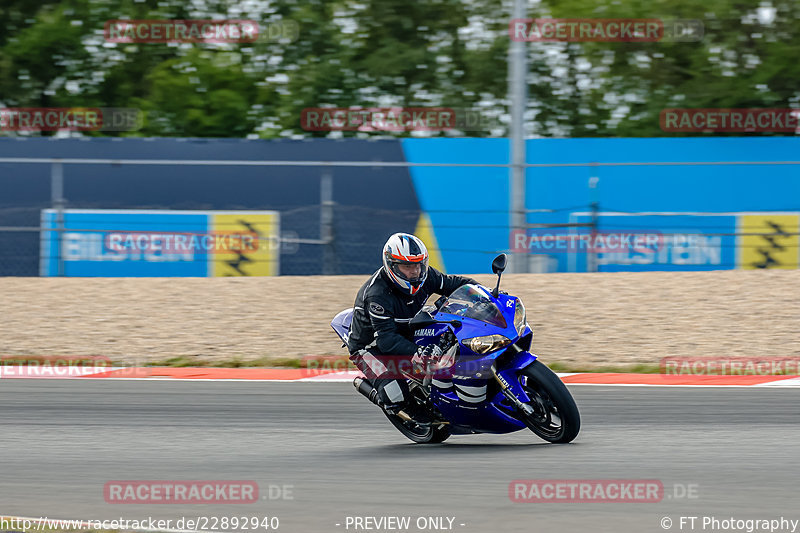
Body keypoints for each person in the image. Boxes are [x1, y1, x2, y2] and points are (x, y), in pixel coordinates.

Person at [348, 232, 477, 422]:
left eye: (418, 264)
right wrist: (419, 352)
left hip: (408, 326)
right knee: (394, 394)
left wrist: (484, 294)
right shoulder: (377, 294)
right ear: (391, 265)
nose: (415, 271)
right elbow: (386, 340)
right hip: (371, 346)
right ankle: (392, 402)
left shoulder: (426, 276)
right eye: (407, 266)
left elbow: (456, 284)